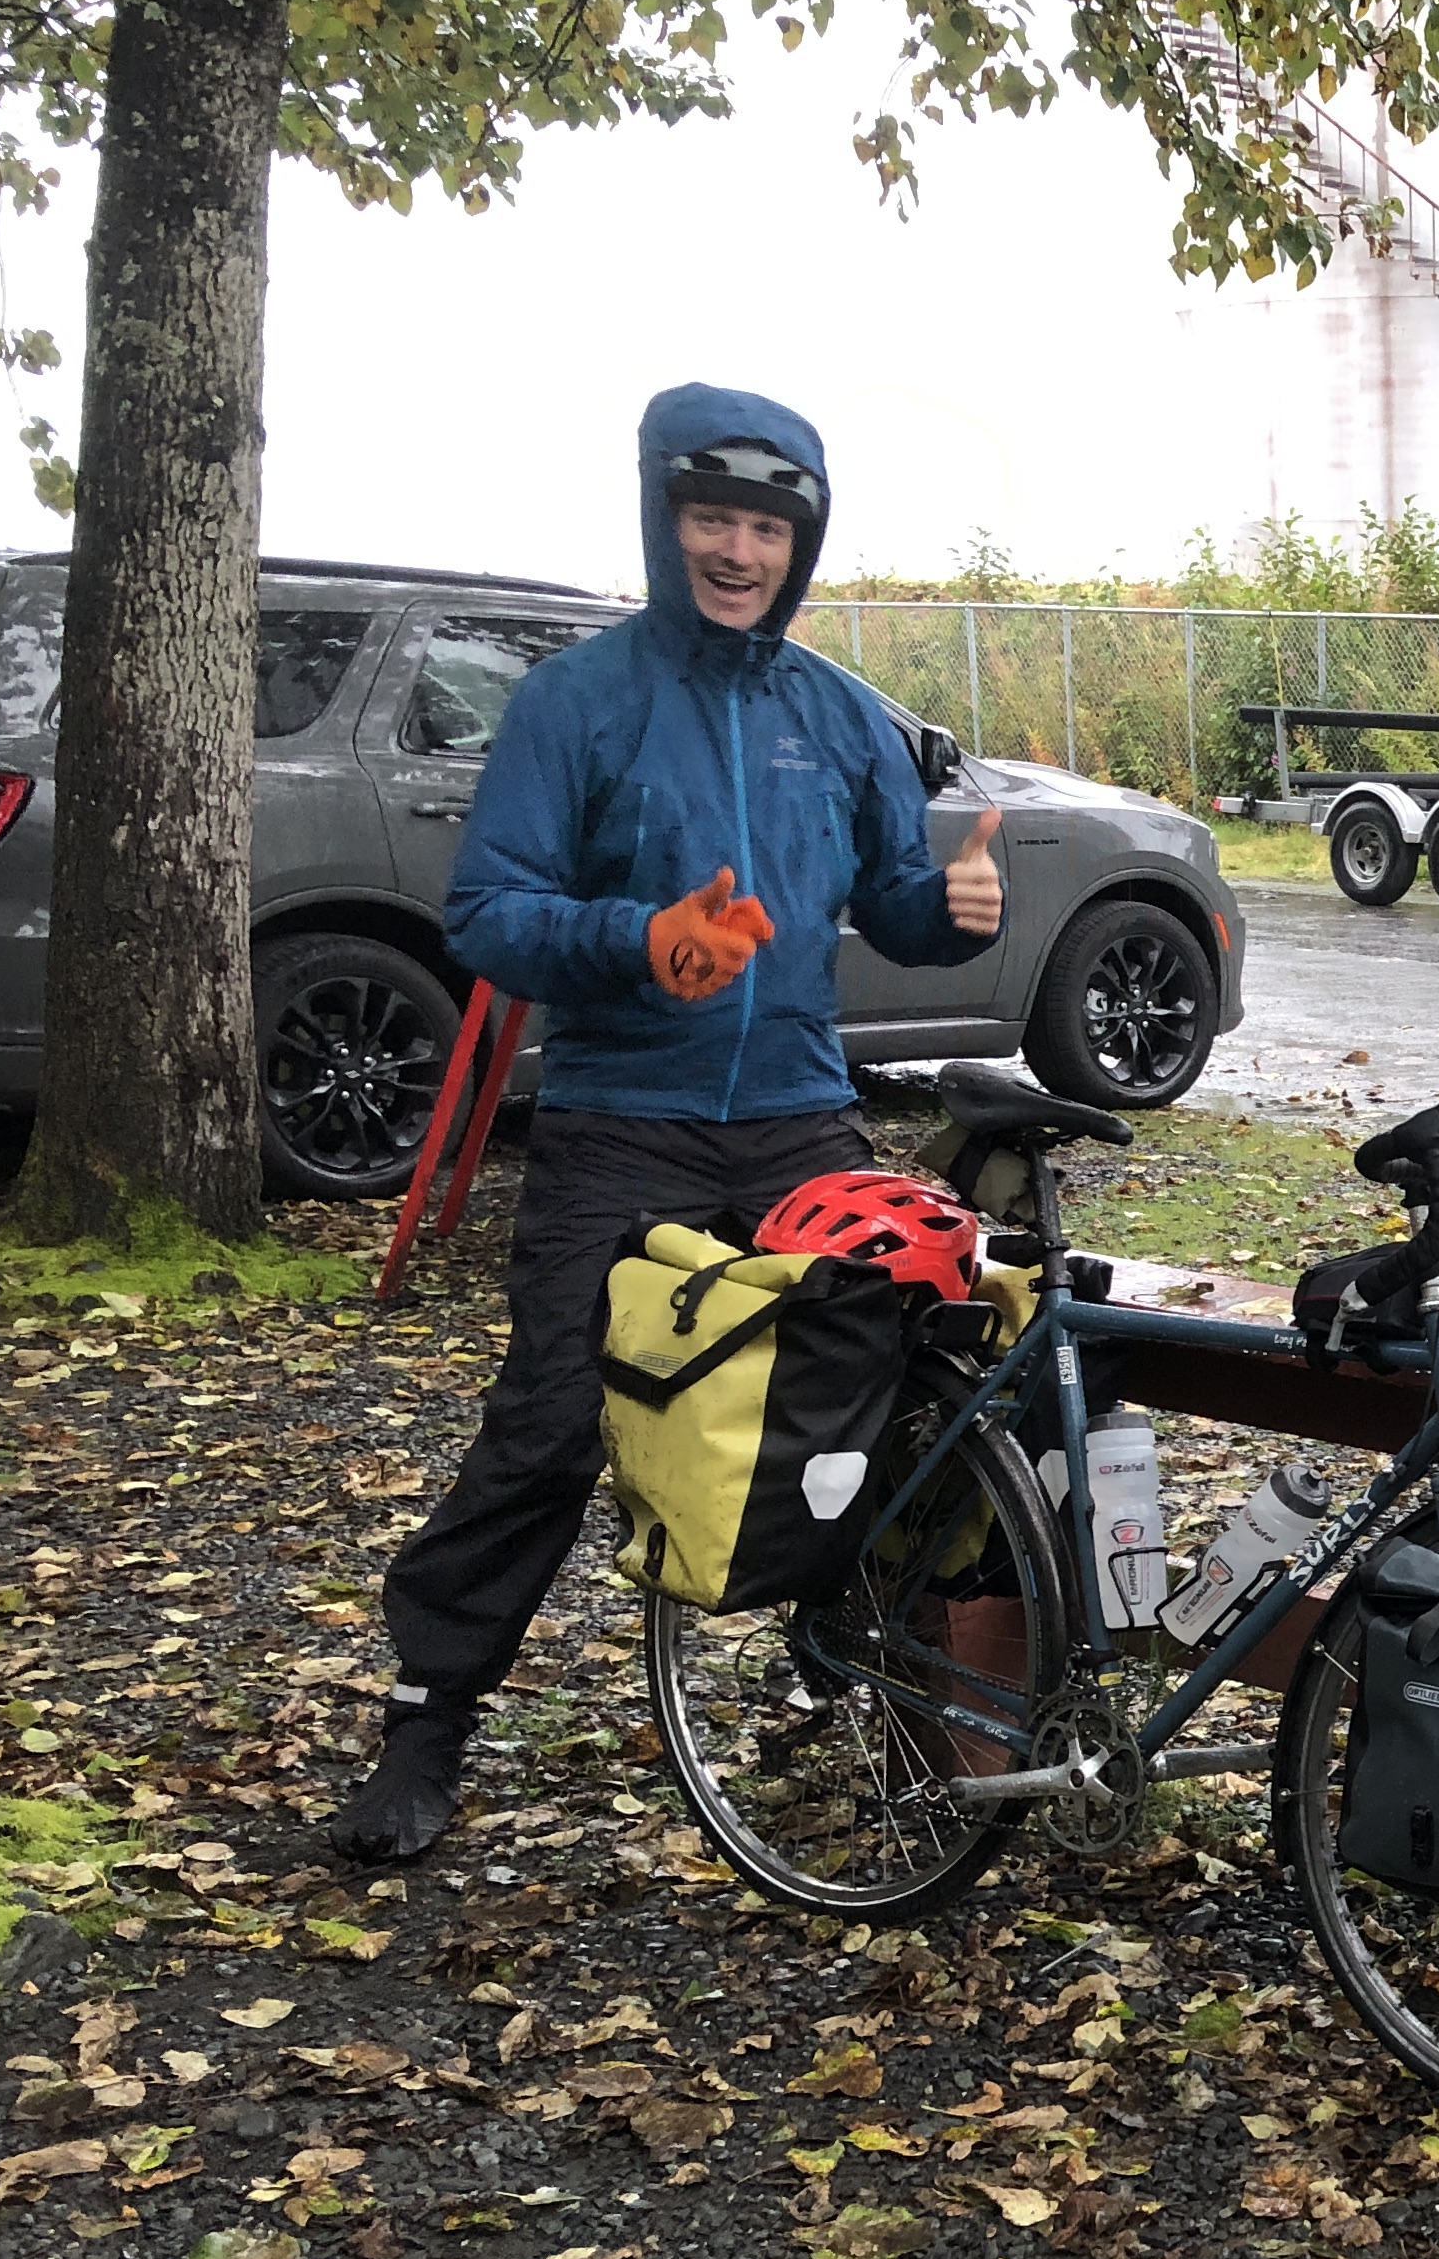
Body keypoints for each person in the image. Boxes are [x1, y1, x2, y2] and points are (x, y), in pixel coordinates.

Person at [330, 383, 1005, 1863]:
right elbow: (490, 915)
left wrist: (950, 914)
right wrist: (640, 943)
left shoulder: (835, 716)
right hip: (620, 1121)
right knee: (552, 1424)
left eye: (766, 525)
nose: (738, 549)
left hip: (796, 1119)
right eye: (713, 517)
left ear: (800, 544)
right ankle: (428, 1716)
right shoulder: (579, 702)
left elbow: (886, 901)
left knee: (902, 1374)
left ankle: (894, 1680)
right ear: (665, 519)